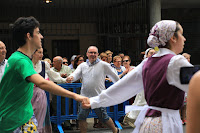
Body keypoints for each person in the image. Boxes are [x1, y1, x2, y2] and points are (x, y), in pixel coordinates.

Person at [82, 20, 192, 133]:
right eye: (181, 34)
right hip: (166, 124)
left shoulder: (148, 62)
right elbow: (195, 85)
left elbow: (124, 86)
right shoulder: (176, 61)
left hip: (148, 122)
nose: (184, 39)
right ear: (173, 37)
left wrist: (95, 101)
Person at [0, 16, 87, 133]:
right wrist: (75, 96)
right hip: (14, 122)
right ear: (28, 36)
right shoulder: (20, 61)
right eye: (38, 32)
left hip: (24, 118)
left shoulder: (20, 58)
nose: (41, 36)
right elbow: (42, 82)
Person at [67, 46, 120, 133]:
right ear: (87, 54)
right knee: (81, 117)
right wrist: (70, 78)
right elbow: (75, 74)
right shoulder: (82, 65)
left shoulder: (104, 65)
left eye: (95, 53)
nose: (93, 54)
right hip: (84, 97)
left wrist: (120, 86)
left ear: (98, 54)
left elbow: (114, 76)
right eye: (91, 52)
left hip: (99, 97)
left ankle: (115, 130)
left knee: (104, 117)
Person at [32, 48, 68, 133]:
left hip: (40, 97)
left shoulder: (44, 64)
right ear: (33, 53)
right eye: (39, 52)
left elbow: (53, 75)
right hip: (27, 95)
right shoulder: (26, 64)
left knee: (41, 119)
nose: (41, 55)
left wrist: (65, 80)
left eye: (42, 52)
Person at [123, 49, 155, 127]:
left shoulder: (158, 63)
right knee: (141, 104)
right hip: (144, 88)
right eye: (151, 53)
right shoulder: (144, 64)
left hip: (154, 89)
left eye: (154, 53)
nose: (153, 54)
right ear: (146, 55)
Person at [180, 52, 191, 125]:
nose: (188, 59)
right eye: (186, 58)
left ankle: (184, 118)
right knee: (180, 104)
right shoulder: (179, 66)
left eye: (189, 58)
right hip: (180, 87)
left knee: (185, 105)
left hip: (187, 88)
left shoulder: (190, 66)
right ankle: (179, 119)